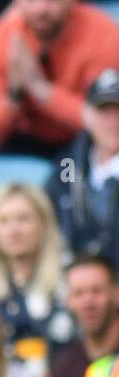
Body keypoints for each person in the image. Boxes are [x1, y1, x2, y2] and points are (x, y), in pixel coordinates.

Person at [0, 0, 119, 157]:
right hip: (25, 142)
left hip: (82, 141)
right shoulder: (3, 39)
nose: (41, 8)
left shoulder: (102, 34)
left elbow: (104, 122)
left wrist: (41, 89)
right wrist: (14, 94)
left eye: (51, 1)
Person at [0, 181, 73, 377]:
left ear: (43, 223)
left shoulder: (69, 272)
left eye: (23, 219)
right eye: (3, 221)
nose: (14, 230)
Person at [49, 69, 119, 267]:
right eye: (104, 111)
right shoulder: (68, 162)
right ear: (88, 116)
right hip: (74, 278)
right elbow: (52, 209)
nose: (113, 122)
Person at [48, 256, 119, 377]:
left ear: (116, 293)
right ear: (68, 301)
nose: (88, 302)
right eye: (78, 293)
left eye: (97, 291)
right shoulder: (64, 366)